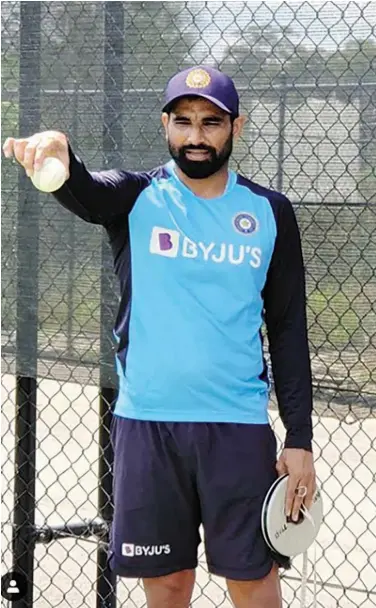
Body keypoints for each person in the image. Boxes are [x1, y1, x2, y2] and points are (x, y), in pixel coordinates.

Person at [3, 65, 316, 608]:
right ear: (165, 126)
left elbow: (288, 329)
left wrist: (300, 438)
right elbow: (85, 191)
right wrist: (61, 153)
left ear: (235, 128)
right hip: (149, 424)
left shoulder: (269, 212)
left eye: (211, 122)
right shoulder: (137, 197)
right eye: (184, 121)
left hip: (236, 429)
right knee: (168, 585)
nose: (197, 136)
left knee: (253, 580)